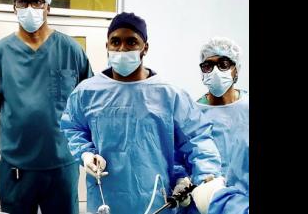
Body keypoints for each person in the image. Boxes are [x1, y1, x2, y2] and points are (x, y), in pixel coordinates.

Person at [60, 12, 222, 214]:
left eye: (131, 42)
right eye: (115, 41)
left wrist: (206, 178)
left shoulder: (169, 94)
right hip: (106, 198)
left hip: (156, 199)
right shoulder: (86, 92)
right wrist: (86, 153)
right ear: (107, 46)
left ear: (145, 47)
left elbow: (197, 139)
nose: (122, 48)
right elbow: (73, 127)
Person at [0, 0, 93, 214]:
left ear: (48, 7)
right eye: (22, 2)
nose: (30, 8)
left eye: (37, 1)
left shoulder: (71, 50)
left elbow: (86, 103)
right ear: (14, 7)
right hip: (17, 167)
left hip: (62, 163)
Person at [174, 37, 249, 214]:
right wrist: (181, 180)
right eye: (208, 66)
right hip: (200, 204)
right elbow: (177, 158)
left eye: (223, 64)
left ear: (235, 70)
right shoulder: (191, 114)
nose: (215, 71)